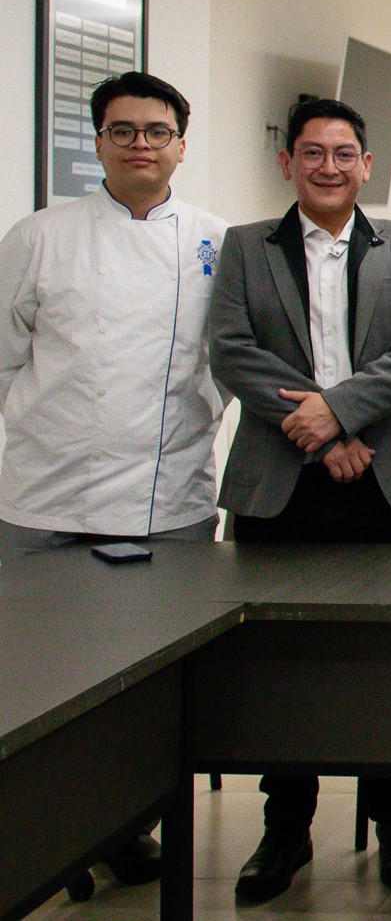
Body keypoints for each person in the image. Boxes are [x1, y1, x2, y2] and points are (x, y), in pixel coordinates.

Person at [209, 98, 391, 901]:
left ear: (366, 164)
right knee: (284, 664)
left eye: (345, 153)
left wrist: (340, 412)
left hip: (379, 477)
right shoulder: (245, 247)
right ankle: (286, 829)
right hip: (278, 482)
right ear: (289, 162)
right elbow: (232, 352)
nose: (329, 166)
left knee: (384, 659)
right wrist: (313, 424)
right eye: (313, 152)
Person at [0, 71, 226, 886]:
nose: (141, 144)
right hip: (46, 497)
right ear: (96, 142)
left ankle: (130, 823)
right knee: (40, 685)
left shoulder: (213, 239)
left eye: (156, 131)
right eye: (123, 130)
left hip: (167, 501)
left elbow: (225, 361)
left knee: (149, 685)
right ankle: (42, 831)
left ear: (180, 145)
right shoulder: (39, 238)